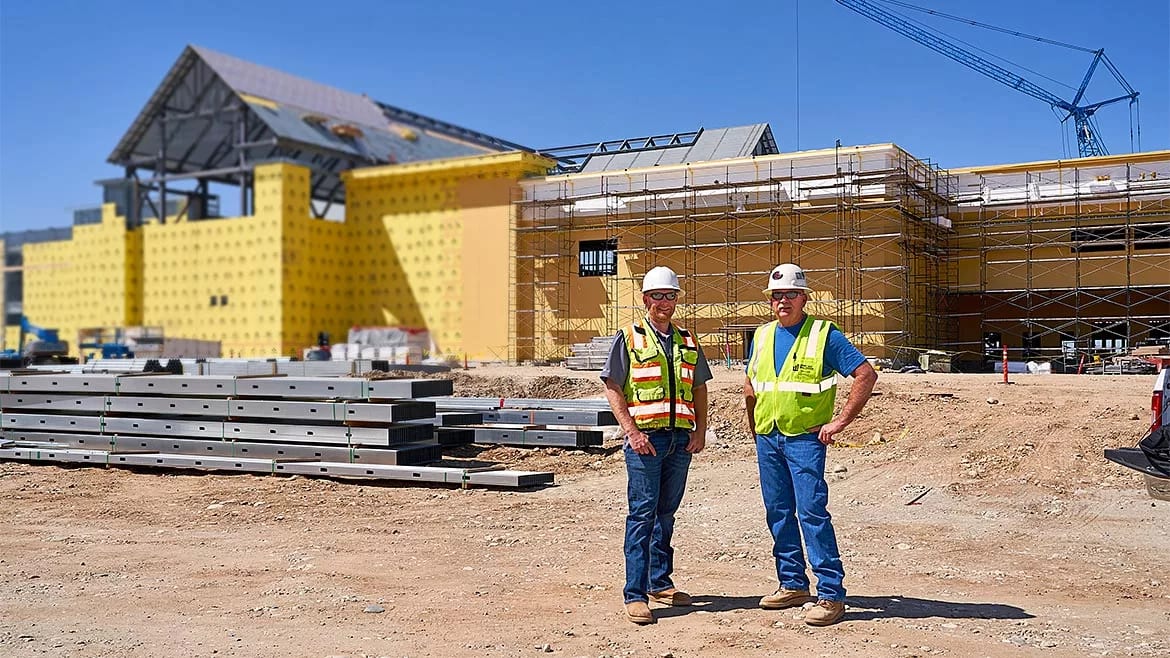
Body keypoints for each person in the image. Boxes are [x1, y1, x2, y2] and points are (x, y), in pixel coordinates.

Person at [744, 263, 878, 627]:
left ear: (804, 298)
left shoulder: (823, 335)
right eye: (776, 295)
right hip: (768, 437)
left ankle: (831, 594)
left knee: (812, 513)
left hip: (804, 438)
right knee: (778, 512)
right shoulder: (762, 335)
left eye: (790, 294)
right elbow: (752, 385)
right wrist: (753, 424)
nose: (782, 301)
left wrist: (840, 422)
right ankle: (792, 584)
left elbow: (865, 374)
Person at [601, 265, 712, 625]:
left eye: (670, 296)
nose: (664, 302)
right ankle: (635, 593)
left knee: (666, 514)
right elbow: (612, 386)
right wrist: (631, 431)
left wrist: (700, 431)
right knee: (642, 515)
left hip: (680, 440)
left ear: (676, 299)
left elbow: (698, 388)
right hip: (646, 442)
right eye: (657, 296)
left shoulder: (687, 340)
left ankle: (659, 582)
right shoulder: (628, 337)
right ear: (645, 299)